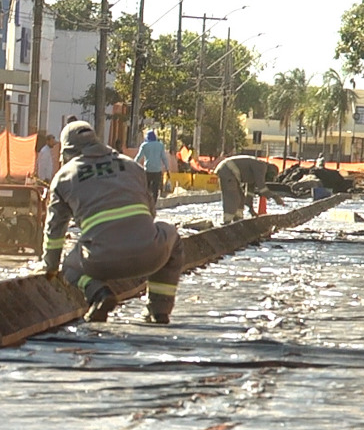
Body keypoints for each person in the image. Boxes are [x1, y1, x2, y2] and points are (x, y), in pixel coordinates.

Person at [43, 121, 184, 324]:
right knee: (171, 235)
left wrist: (50, 267)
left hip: (101, 262)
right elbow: (150, 213)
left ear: (67, 151)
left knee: (69, 264)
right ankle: (159, 310)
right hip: (150, 255)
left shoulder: (64, 177)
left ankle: (99, 294)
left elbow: (54, 230)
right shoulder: (131, 166)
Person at [214, 154, 285, 225]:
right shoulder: (261, 167)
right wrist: (275, 197)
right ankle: (227, 221)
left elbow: (249, 194)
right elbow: (262, 188)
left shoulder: (255, 174)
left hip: (230, 172)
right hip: (227, 170)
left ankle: (238, 219)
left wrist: (251, 210)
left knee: (241, 197)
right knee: (233, 197)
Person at [133, 129, 170, 203]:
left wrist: (132, 165)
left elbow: (138, 157)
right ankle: (154, 203)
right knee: (155, 188)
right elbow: (164, 158)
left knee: (147, 187)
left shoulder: (144, 145)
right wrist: (167, 168)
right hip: (157, 170)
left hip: (147, 169)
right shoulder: (160, 145)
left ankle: (147, 202)